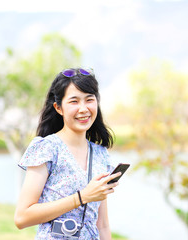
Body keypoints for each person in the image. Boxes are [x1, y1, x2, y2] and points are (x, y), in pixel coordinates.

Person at [14, 67, 121, 240]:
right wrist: (82, 197)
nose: (83, 108)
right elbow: (22, 217)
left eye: (89, 100)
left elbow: (102, 224)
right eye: (74, 101)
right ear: (58, 108)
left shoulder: (101, 155)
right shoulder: (46, 149)